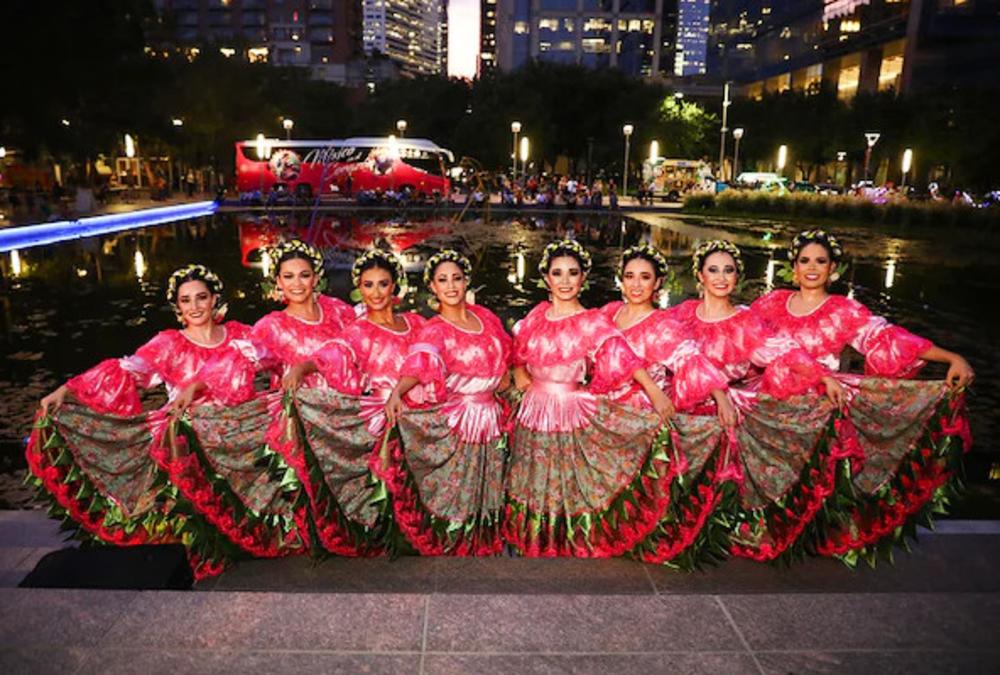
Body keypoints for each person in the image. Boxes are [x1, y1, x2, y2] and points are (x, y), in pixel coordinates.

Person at [31, 266, 302, 575]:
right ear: (178, 307)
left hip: (240, 439)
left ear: (215, 300)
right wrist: (66, 391)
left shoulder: (241, 335)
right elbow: (126, 371)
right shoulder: (169, 344)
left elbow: (277, 360)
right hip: (191, 442)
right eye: (186, 300)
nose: (195, 306)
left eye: (201, 298)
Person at [751, 230, 973, 558]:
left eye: (821, 261)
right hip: (773, 401)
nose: (812, 268)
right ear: (794, 268)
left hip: (819, 406)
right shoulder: (769, 304)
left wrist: (953, 358)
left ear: (833, 269)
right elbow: (736, 335)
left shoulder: (844, 310)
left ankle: (801, 537)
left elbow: (889, 339)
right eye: (805, 261)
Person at [184, 240, 371, 555]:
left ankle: (357, 535)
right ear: (278, 281)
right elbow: (242, 359)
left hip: (344, 415)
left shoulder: (340, 312)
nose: (296, 284)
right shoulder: (271, 326)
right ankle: (317, 541)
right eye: (288, 276)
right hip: (301, 423)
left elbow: (364, 347)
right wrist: (198, 386)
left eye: (303, 275)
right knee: (309, 486)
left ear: (316, 277)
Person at [670, 240, 849, 561]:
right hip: (690, 403)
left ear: (737, 277)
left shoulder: (746, 320)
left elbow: (783, 350)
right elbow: (663, 350)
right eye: (713, 270)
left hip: (732, 405)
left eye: (729, 270)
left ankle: (727, 527)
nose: (721, 277)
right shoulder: (681, 315)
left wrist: (823, 376)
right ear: (700, 275)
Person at [504, 239, 677, 558]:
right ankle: (533, 540)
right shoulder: (537, 314)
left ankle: (565, 540)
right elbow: (518, 351)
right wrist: (520, 374)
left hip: (571, 408)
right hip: (533, 408)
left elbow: (620, 356)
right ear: (547, 279)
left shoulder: (593, 321)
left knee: (564, 477)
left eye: (573, 273)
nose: (565, 281)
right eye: (558, 273)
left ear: (583, 278)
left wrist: (654, 392)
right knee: (532, 474)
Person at [383, 250, 511, 555]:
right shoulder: (435, 329)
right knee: (459, 486)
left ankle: (485, 540)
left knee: (489, 483)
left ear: (467, 281)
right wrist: (397, 392)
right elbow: (419, 364)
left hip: (491, 416)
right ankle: (455, 544)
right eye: (443, 280)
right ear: (433, 288)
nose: (451, 286)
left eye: (456, 278)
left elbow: (507, 355)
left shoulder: (487, 318)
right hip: (461, 418)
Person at [299, 249, 427, 537]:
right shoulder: (358, 331)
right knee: (388, 485)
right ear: (359, 288)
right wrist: (301, 368)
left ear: (395, 285)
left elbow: (439, 354)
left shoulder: (416, 323)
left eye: (383, 283)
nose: (376, 292)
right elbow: (330, 356)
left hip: (419, 416)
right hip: (382, 419)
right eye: (368, 285)